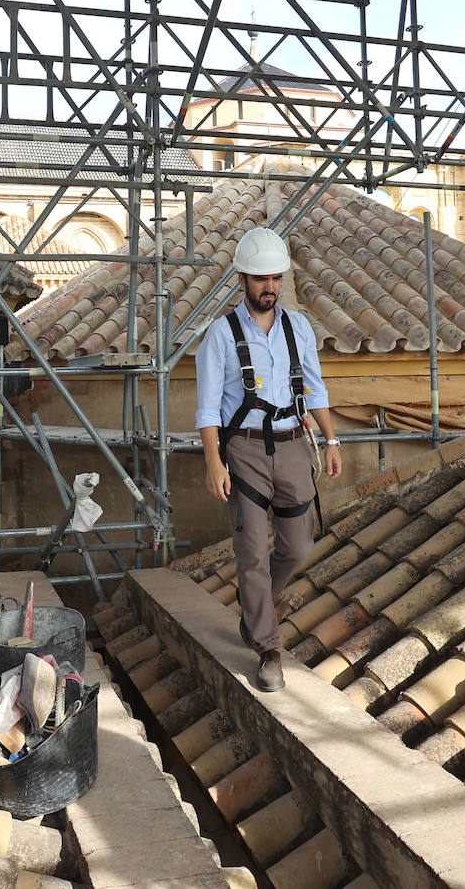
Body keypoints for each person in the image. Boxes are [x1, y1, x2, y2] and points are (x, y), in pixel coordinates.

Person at [195, 226, 342, 692]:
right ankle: (267, 647)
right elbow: (206, 407)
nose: (269, 287)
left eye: (275, 278)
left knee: (298, 546)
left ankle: (254, 603)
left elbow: (314, 388)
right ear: (242, 280)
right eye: (260, 279)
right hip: (244, 450)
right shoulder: (220, 335)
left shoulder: (299, 327)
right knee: (251, 552)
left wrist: (332, 439)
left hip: (294, 442)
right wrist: (214, 462)